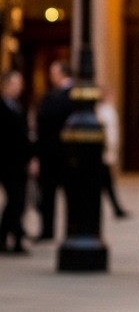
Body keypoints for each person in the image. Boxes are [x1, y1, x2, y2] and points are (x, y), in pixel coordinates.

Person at [34, 59, 73, 240]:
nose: (51, 77)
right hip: (53, 153)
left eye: (53, 73)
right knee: (48, 194)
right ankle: (47, 230)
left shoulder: (65, 96)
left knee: (63, 193)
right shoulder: (52, 95)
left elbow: (45, 121)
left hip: (59, 152)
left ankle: (59, 230)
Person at [0, 69, 31, 254]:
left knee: (18, 201)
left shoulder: (19, 106)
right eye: (14, 84)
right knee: (15, 200)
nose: (18, 88)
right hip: (7, 162)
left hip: (20, 162)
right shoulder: (3, 107)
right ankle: (9, 236)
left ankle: (13, 237)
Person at [96, 88, 129, 219]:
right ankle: (117, 208)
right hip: (104, 151)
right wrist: (111, 149)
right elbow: (110, 134)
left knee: (106, 181)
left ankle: (117, 208)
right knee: (106, 181)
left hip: (106, 151)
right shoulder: (106, 111)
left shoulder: (106, 110)